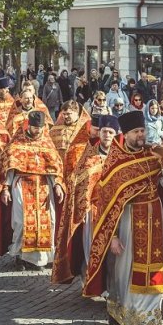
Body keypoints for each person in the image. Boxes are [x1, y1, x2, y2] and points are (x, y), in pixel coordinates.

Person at [83, 110, 163, 325]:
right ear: (125, 134)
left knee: (155, 271)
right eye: (136, 132)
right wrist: (114, 237)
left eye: (142, 131)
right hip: (129, 224)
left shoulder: (153, 155)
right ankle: (117, 310)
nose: (141, 135)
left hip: (156, 221)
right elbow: (108, 203)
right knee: (124, 274)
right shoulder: (116, 162)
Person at [0, 110, 64, 270]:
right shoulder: (17, 142)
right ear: (29, 125)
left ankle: (43, 258)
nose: (38, 131)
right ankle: (20, 257)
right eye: (35, 128)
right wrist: (6, 188)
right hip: (22, 185)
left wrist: (57, 183)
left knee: (47, 223)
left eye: (41, 128)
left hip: (43, 186)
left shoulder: (46, 142)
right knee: (21, 222)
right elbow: (8, 167)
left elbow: (54, 166)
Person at [51, 114, 119, 286]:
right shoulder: (89, 157)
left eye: (111, 132)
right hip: (93, 211)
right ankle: (92, 282)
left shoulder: (120, 157)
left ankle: (110, 286)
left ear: (116, 134)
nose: (107, 135)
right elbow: (77, 183)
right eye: (104, 131)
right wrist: (84, 206)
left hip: (116, 211)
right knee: (92, 249)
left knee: (113, 253)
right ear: (99, 132)